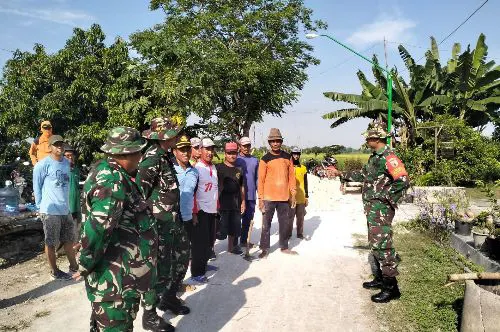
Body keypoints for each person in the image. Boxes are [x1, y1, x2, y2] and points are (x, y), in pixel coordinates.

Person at [74, 127, 165, 331]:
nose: (141, 158)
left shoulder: (112, 172)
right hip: (115, 283)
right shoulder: (113, 181)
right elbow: (99, 227)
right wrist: (85, 263)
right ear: (126, 154)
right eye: (138, 152)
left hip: (120, 278)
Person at [341, 122, 409, 303]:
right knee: (375, 243)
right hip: (372, 209)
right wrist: (342, 174)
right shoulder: (374, 158)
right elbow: (364, 176)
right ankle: (380, 279)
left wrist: (387, 198)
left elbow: (403, 180)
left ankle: (391, 287)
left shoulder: (389, 157)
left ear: (376, 138)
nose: (366, 139)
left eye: (369, 137)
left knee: (383, 245)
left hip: (381, 209)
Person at [136, 117, 186, 329]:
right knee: (161, 270)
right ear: (165, 137)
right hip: (158, 224)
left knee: (182, 259)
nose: (176, 136)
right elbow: (139, 194)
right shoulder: (152, 158)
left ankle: (169, 297)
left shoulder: (164, 156)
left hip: (173, 221)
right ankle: (150, 315)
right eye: (173, 134)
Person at [33, 134, 78, 280]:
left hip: (65, 209)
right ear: (50, 147)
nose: (59, 147)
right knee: (51, 242)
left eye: (61, 144)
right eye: (56, 145)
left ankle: (74, 267)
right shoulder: (42, 165)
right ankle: (54, 271)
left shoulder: (66, 163)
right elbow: (37, 187)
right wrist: (39, 207)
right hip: (50, 210)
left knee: (69, 240)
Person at [257, 128, 297, 258]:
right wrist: (260, 199)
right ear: (269, 142)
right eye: (273, 141)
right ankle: (264, 248)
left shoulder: (287, 157)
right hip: (269, 198)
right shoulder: (265, 159)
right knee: (265, 225)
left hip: (284, 197)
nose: (275, 143)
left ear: (281, 142)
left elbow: (291, 177)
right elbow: (261, 180)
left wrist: (293, 193)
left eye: (278, 141)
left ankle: (284, 246)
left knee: (284, 223)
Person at [171, 135, 199, 290]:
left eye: (187, 149)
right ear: (175, 151)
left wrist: (194, 213)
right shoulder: (169, 170)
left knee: (183, 255)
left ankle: (178, 283)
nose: (186, 152)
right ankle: (167, 288)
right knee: (169, 255)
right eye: (182, 149)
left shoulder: (194, 172)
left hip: (187, 217)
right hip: (171, 218)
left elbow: (193, 194)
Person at [191, 138, 219, 283]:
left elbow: (214, 188)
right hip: (201, 210)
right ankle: (196, 272)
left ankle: (204, 265)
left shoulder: (213, 168)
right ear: (200, 150)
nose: (210, 152)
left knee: (209, 240)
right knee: (199, 243)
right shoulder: (196, 168)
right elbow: (193, 192)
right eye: (207, 149)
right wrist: (194, 212)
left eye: (211, 149)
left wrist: (217, 206)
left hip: (211, 210)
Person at [216, 142, 246, 255]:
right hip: (222, 203)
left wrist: (243, 201)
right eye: (229, 153)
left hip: (236, 202)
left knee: (235, 225)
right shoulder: (218, 168)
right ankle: (211, 250)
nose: (232, 156)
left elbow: (242, 186)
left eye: (234, 153)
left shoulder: (239, 169)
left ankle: (232, 247)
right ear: (225, 154)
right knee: (219, 228)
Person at [234, 136, 258, 248]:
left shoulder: (255, 160)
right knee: (236, 219)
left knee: (248, 219)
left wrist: (260, 194)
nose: (246, 148)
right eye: (244, 145)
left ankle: (244, 241)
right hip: (238, 195)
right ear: (240, 146)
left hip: (251, 194)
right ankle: (233, 243)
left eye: (248, 145)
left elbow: (257, 178)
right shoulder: (236, 159)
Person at [288, 147, 308, 239]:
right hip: (290, 197)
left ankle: (299, 233)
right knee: (290, 217)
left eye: (297, 154)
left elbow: (306, 182)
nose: (296, 156)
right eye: (294, 154)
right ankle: (288, 234)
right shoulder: (288, 168)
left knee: (300, 217)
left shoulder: (303, 168)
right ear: (291, 155)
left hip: (301, 197)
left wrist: (306, 196)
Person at [63, 144, 81, 239]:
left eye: (71, 155)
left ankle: (74, 248)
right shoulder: (61, 170)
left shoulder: (76, 169)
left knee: (75, 228)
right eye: (67, 156)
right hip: (65, 206)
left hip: (75, 205)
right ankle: (60, 250)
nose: (70, 157)